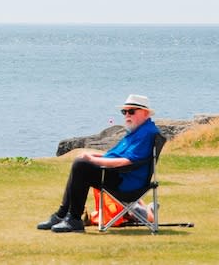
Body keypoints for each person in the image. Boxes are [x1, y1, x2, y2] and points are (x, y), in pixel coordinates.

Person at [37, 94, 159, 233]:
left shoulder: (146, 133)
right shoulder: (138, 131)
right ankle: (63, 214)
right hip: (123, 176)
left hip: (127, 182)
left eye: (131, 111)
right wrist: (92, 155)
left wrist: (92, 161)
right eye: (124, 112)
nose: (127, 115)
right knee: (81, 162)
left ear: (146, 113)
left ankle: (73, 218)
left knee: (81, 165)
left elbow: (127, 161)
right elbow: (116, 156)